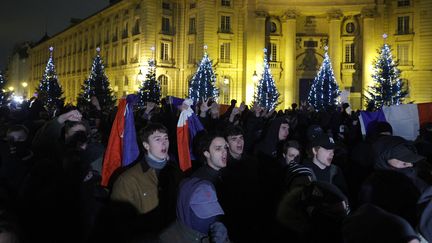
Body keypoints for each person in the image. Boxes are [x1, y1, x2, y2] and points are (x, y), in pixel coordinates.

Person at [110, 123, 183, 233]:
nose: (164, 143)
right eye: (157, 139)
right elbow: (119, 222)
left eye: (166, 138)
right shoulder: (127, 180)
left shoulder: (175, 170)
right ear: (146, 145)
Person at [159, 177, 230, 243]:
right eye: (203, 211)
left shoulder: (214, 234)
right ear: (185, 209)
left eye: (213, 209)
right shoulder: (166, 239)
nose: (211, 218)